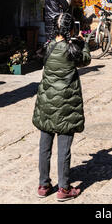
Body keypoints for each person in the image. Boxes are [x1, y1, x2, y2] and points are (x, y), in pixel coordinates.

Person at [33, 12, 91, 201]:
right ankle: (64, 188)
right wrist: (83, 42)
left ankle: (43, 184)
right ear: (70, 29)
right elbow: (86, 59)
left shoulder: (48, 47)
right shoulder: (71, 49)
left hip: (47, 104)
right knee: (64, 148)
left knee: (45, 146)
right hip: (66, 106)